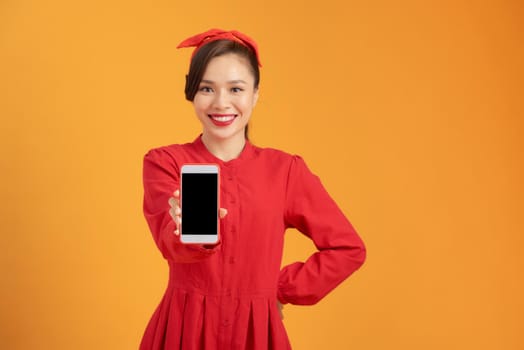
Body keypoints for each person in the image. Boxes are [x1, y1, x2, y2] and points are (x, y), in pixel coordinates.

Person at [140, 28, 366, 350]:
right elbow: (169, 243)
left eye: (236, 89)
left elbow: (348, 249)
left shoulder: (286, 171)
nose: (221, 103)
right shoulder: (165, 163)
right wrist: (180, 228)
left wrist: (279, 289)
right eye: (207, 88)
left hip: (256, 334)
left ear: (256, 94)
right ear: (191, 92)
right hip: (183, 330)